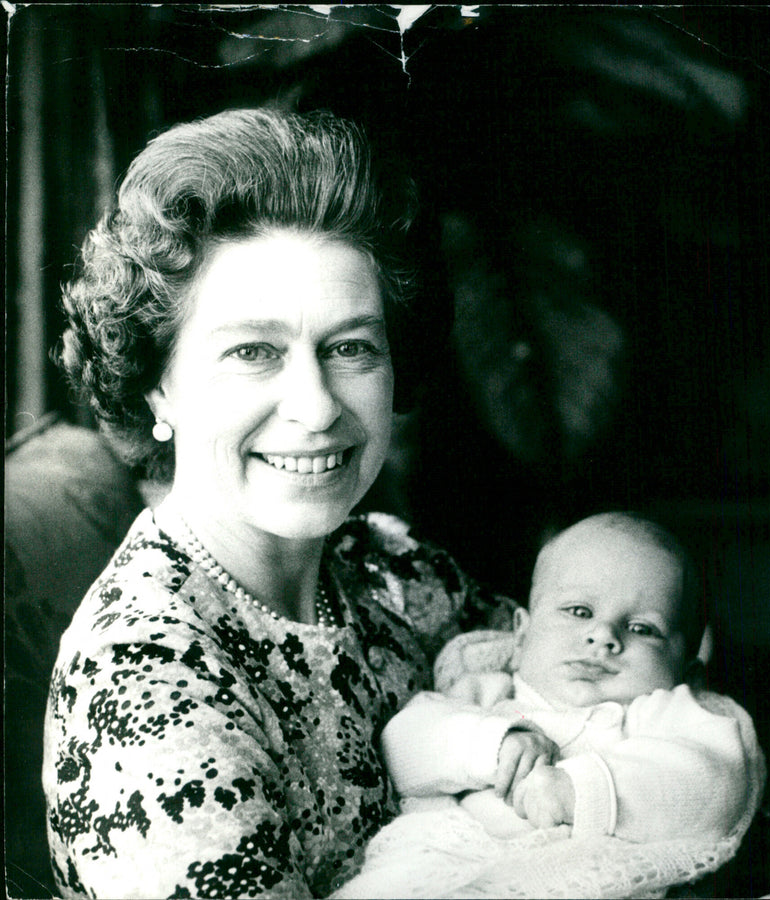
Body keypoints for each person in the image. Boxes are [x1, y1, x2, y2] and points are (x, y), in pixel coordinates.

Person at [42, 106, 515, 900]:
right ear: (158, 380)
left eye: (351, 347)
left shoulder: (388, 566)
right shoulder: (145, 682)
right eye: (253, 352)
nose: (317, 405)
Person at [333, 513, 765, 899]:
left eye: (642, 628)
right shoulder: (487, 695)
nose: (604, 636)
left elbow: (710, 784)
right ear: (520, 636)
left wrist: (581, 791)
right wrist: (490, 746)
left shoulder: (668, 713)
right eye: (579, 611)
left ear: (686, 671)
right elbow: (404, 744)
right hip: (446, 873)